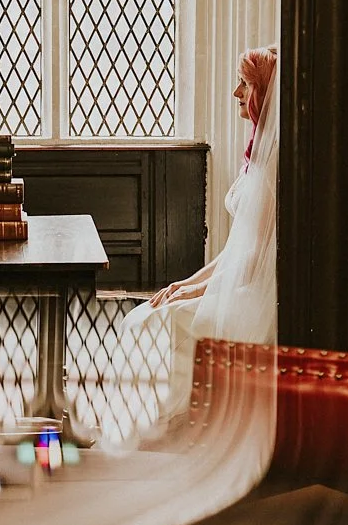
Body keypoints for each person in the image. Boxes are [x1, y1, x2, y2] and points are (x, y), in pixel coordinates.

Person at [119, 44, 280, 422]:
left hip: (252, 300)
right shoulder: (256, 156)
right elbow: (234, 250)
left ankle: (165, 424)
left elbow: (251, 261)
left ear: (263, 93)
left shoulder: (272, 170)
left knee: (149, 323)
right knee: (147, 315)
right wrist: (187, 282)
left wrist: (195, 291)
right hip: (235, 284)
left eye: (244, 84)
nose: (236, 93)